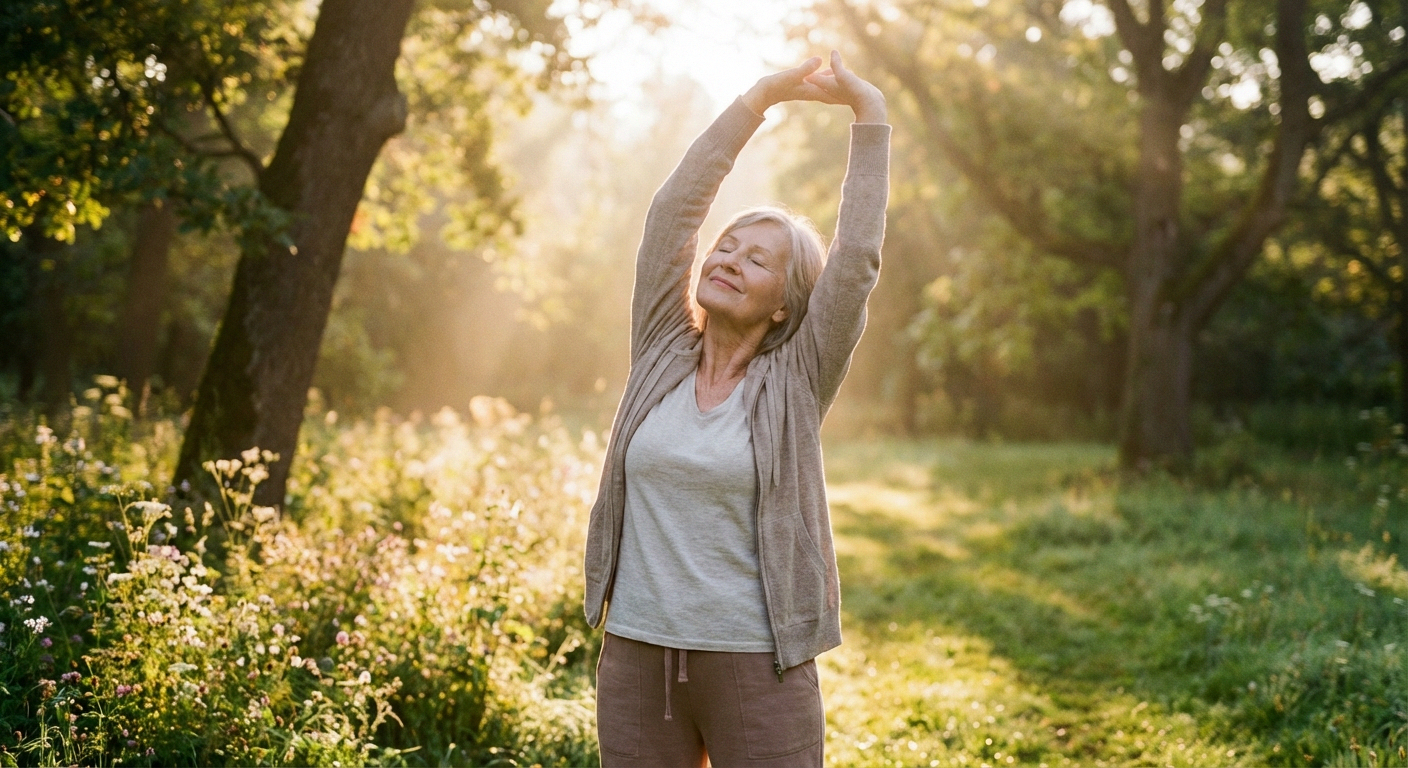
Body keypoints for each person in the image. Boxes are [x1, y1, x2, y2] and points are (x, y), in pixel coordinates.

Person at [582, 50, 890, 767]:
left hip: (757, 662)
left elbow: (857, 260)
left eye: (756, 260)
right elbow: (671, 216)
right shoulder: (660, 347)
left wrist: (869, 116)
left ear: (787, 302)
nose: (727, 259)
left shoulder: (796, 380)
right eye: (727, 246)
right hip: (635, 654)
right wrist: (756, 101)